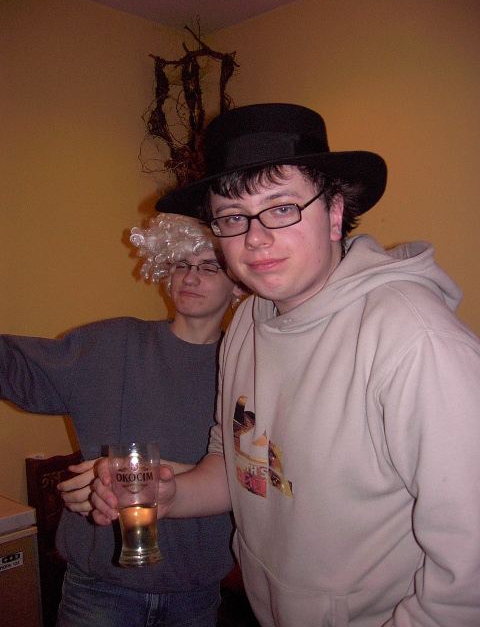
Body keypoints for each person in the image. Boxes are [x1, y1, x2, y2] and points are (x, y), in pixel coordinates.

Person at [91, 103, 480, 626]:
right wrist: (172, 495)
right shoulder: (248, 320)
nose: (254, 238)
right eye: (233, 216)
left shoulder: (416, 343)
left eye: (280, 208)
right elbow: (238, 461)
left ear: (334, 213)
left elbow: (469, 572)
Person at [0, 212, 244, 627]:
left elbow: (251, 476)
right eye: (180, 264)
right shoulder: (112, 343)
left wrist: (139, 473)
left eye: (208, 267)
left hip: (196, 591)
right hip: (98, 590)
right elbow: (17, 369)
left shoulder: (247, 371)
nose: (190, 277)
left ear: (238, 284)